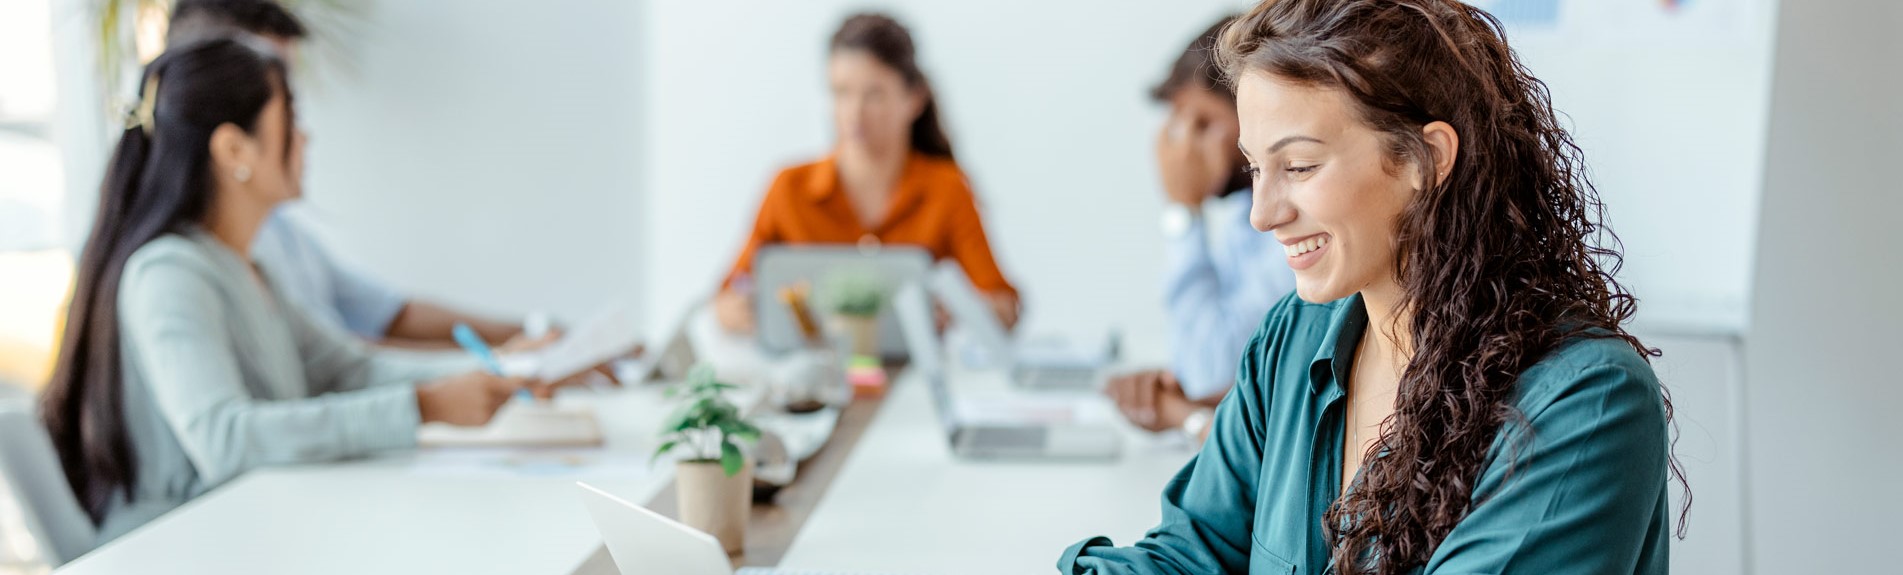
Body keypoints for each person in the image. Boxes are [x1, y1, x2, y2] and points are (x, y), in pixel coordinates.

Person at [1059, 1, 1685, 573]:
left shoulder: (1584, 402)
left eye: (1299, 166)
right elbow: (1194, 553)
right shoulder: (1293, 339)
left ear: (1423, 158)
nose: (1262, 212)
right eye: (1256, 168)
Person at [38, 38, 544, 543]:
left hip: (250, 531)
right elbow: (226, 441)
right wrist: (423, 407)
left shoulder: (247, 269)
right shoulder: (169, 273)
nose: (306, 139)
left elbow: (351, 368)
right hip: (181, 546)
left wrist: (501, 369)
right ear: (235, 149)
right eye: (290, 120)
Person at [164, 0, 534, 348]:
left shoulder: (280, 234)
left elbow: (383, 316)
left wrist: (528, 336)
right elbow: (330, 368)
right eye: (275, 92)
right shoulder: (177, 271)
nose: (300, 127)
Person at [713, 13, 1019, 334]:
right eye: (841, 92)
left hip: (911, 377)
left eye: (874, 94)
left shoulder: (947, 189)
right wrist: (744, 310)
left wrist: (957, 312)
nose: (855, 112)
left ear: (914, 99)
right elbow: (726, 300)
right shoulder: (788, 187)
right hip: (816, 373)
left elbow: (1003, 305)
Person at [1101, 15, 1296, 443]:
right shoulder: (1242, 217)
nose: (1184, 148)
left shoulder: (1292, 229)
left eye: (1204, 124)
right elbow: (1199, 376)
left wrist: (1182, 212)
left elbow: (1211, 371)